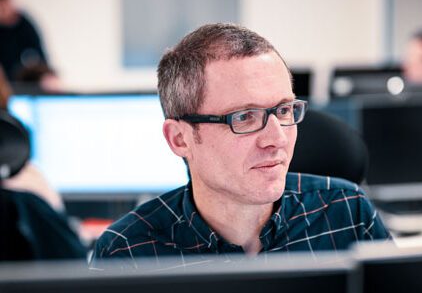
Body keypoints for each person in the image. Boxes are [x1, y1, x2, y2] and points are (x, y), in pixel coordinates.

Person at [90, 23, 390, 266]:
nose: (277, 139)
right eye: (244, 117)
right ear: (180, 139)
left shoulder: (348, 211)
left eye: (284, 110)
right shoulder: (127, 251)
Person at [0, 0, 48, 80]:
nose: (2, 7)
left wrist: (47, 77)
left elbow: (42, 62)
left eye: (4, 0)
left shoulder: (25, 25)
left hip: (21, 89)